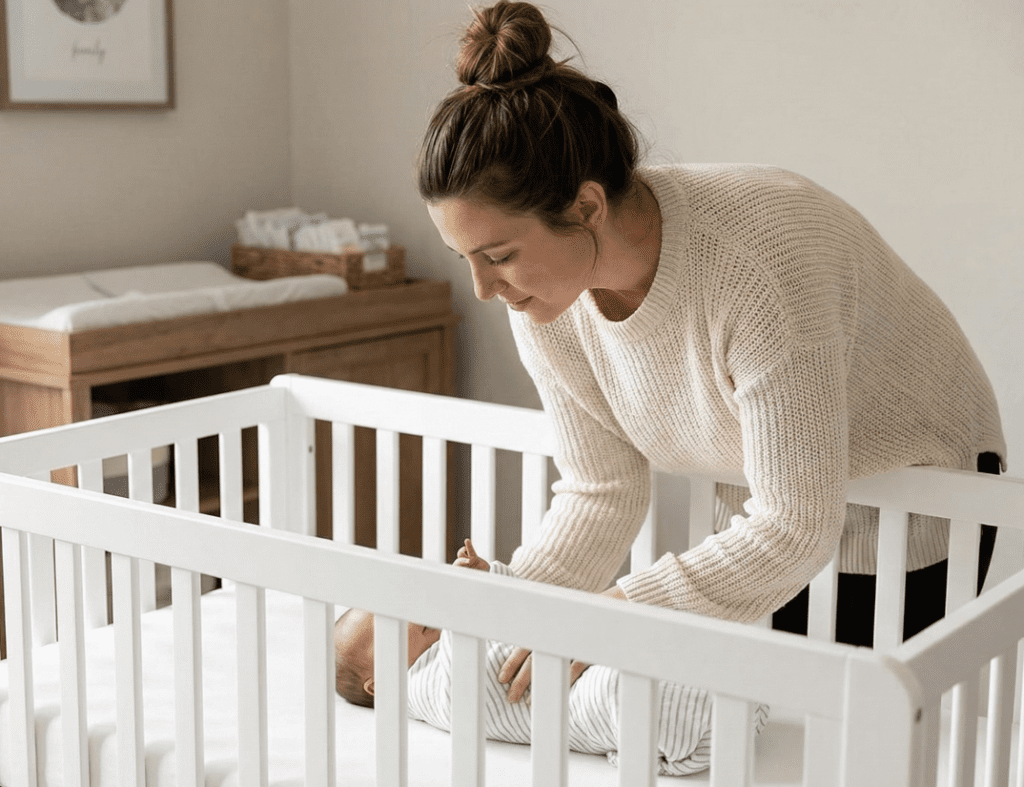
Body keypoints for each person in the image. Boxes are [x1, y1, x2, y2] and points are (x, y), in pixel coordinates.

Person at [416, 0, 1007, 701]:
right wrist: (510, 615)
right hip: (781, 511)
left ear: (585, 206)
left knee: (842, 740)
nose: (482, 288)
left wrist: (620, 614)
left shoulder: (758, 264)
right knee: (761, 732)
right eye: (466, 259)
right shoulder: (546, 301)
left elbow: (794, 525)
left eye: (499, 255)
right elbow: (603, 490)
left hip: (917, 498)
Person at [334, 540, 767, 776]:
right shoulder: (424, 691)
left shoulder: (445, 638)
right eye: (390, 623)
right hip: (596, 700)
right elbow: (465, 683)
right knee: (616, 688)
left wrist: (491, 579)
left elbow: (523, 609)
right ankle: (712, 702)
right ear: (380, 683)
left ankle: (731, 690)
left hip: (590, 671)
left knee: (645, 643)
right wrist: (468, 603)